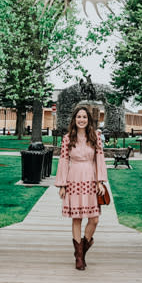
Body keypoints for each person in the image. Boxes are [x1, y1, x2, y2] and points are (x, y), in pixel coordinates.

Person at [55, 106, 108, 270]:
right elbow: (63, 161)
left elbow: (100, 159)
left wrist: (100, 181)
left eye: (84, 117)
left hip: (91, 179)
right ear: (74, 119)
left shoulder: (95, 137)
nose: (82, 119)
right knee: (76, 218)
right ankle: (79, 256)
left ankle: (83, 248)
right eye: (79, 117)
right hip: (74, 178)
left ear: (88, 120)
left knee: (94, 219)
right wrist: (62, 184)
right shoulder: (67, 138)